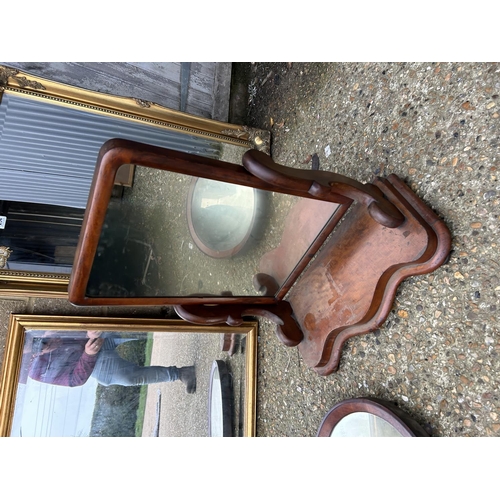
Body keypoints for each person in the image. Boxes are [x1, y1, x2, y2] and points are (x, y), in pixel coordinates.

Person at [27, 330, 196, 394]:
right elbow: (74, 380)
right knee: (125, 377)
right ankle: (181, 373)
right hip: (92, 361)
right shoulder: (36, 370)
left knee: (126, 324)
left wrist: (86, 331)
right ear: (33, 354)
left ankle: (188, 325)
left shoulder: (38, 326)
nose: (44, 342)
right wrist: (88, 354)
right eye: (39, 346)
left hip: (96, 336)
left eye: (39, 339)